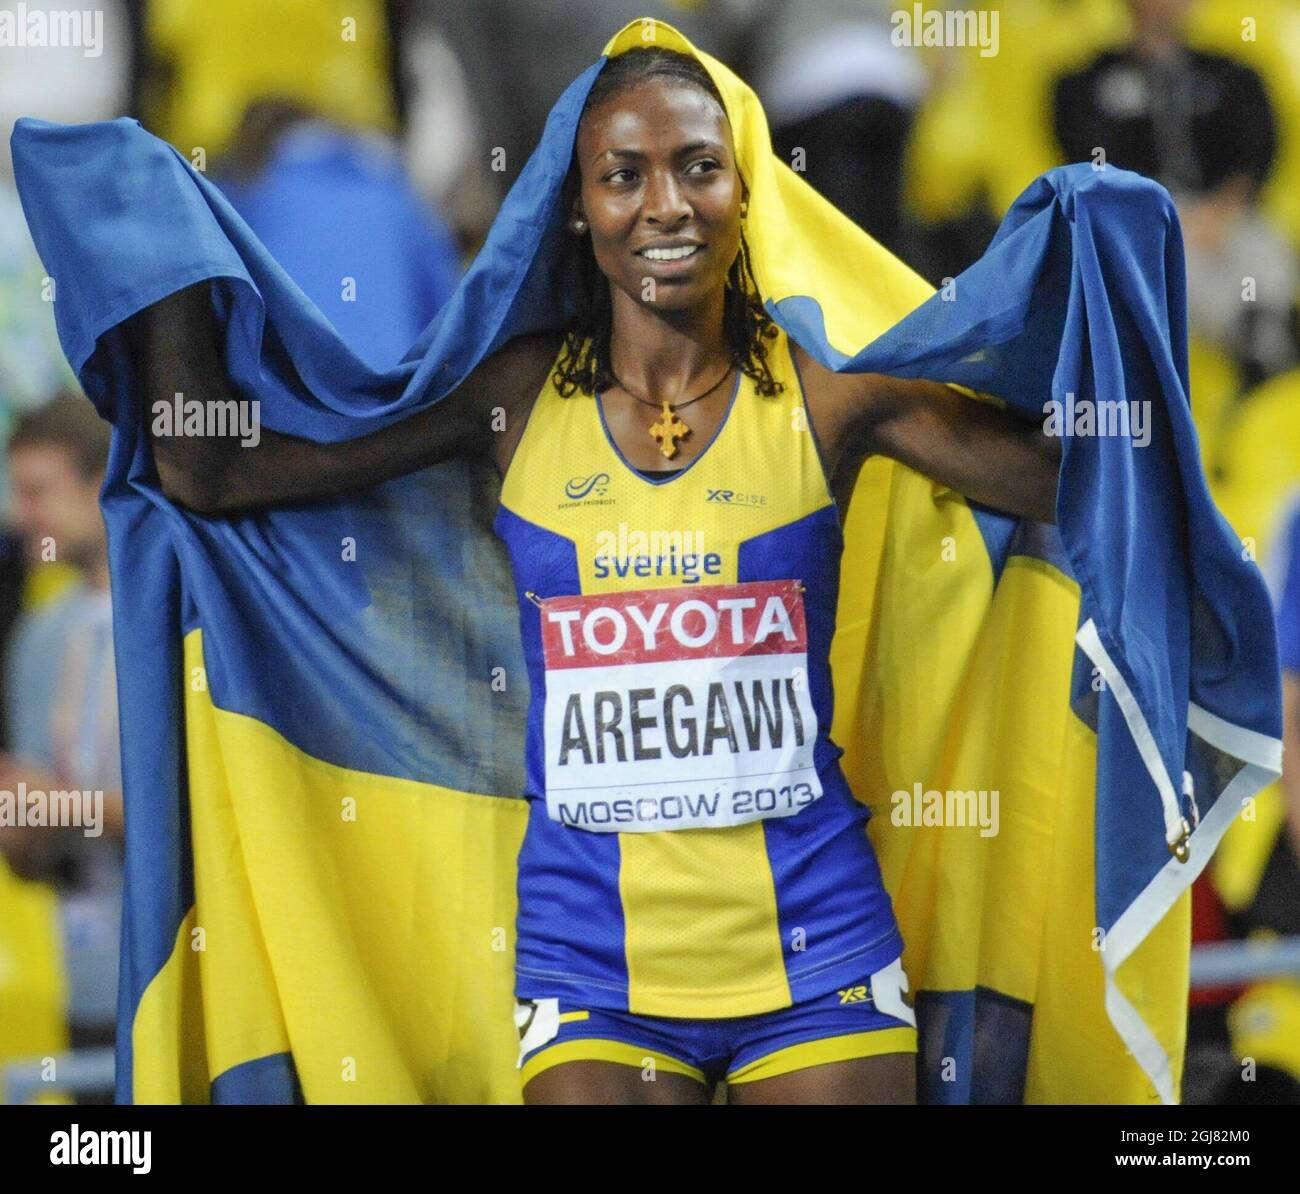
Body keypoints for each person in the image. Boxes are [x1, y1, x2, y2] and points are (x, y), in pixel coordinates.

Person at [126, 46, 1059, 1106]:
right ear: (576, 208)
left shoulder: (828, 392)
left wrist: (1108, 255)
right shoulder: (519, 400)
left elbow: (1080, 485)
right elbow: (216, 469)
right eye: (623, 174)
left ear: (746, 187)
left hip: (819, 950)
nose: (665, 204)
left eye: (697, 167)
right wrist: (146, 226)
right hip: (591, 973)